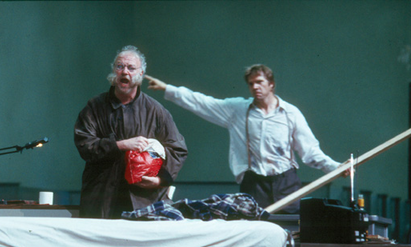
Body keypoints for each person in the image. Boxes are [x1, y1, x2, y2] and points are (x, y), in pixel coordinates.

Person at [145, 64, 344, 213]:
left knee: (290, 233)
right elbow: (204, 103)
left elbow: (310, 151)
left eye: (260, 82)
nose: (255, 87)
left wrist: (335, 167)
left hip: (286, 184)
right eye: (251, 84)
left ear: (271, 84)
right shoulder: (237, 110)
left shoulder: (291, 114)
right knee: (254, 232)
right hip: (254, 184)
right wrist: (168, 89)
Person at [74, 45, 188, 218]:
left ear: (141, 74)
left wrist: (159, 180)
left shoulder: (156, 111)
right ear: (114, 71)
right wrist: (120, 145)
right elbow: (85, 145)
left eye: (131, 68)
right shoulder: (94, 107)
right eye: (119, 66)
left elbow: (178, 149)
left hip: (142, 200)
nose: (124, 72)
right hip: (101, 199)